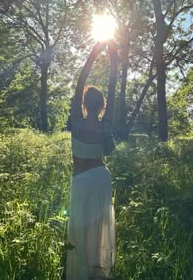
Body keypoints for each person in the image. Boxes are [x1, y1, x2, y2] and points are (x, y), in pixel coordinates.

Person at [66, 40, 118, 280]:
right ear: (102, 105)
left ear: (85, 103)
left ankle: (79, 270)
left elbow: (79, 84)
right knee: (98, 227)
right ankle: (95, 269)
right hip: (100, 178)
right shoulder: (105, 125)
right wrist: (114, 58)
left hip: (82, 180)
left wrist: (94, 53)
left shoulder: (76, 121)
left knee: (80, 225)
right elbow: (113, 86)